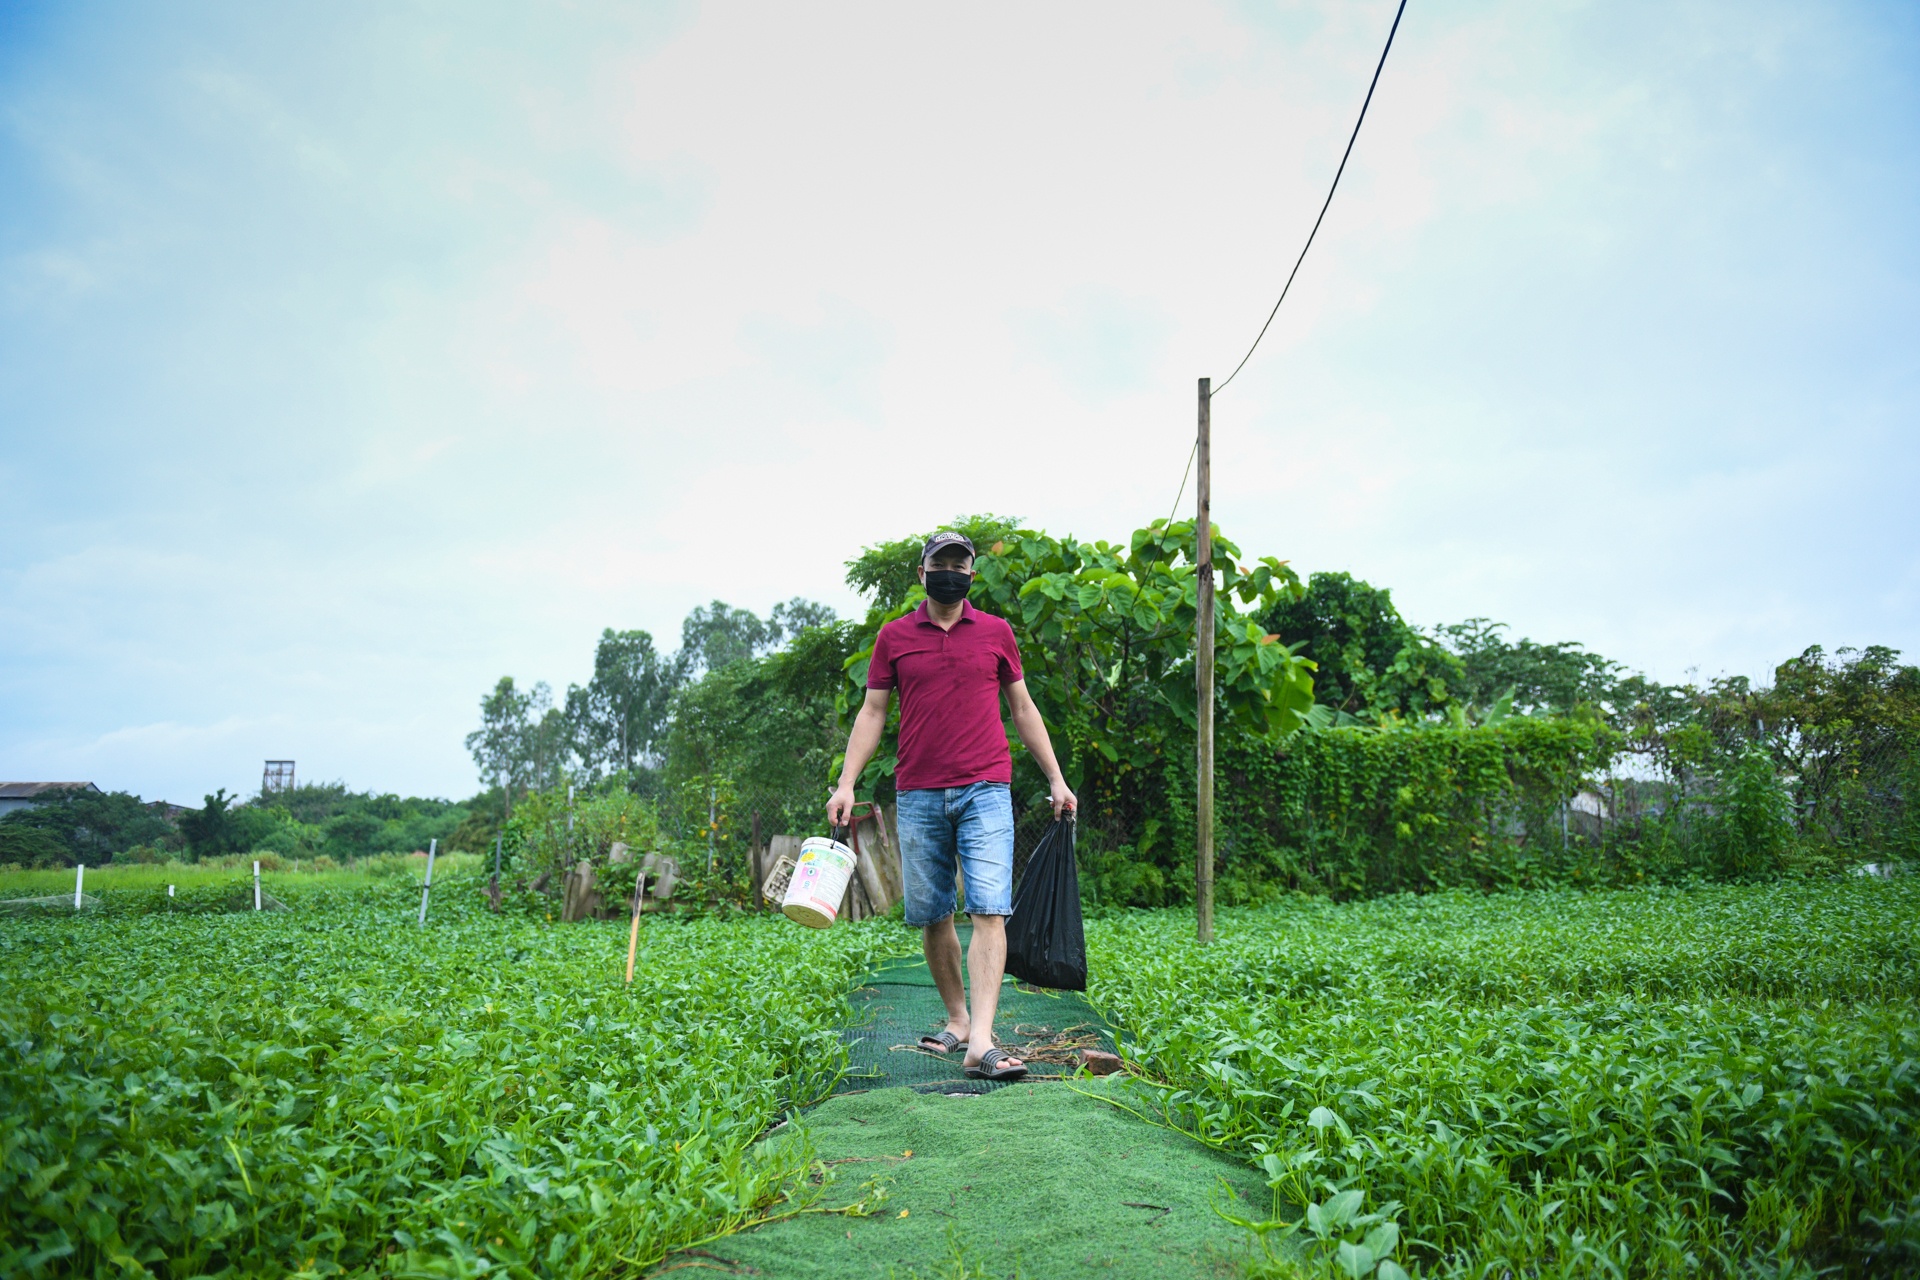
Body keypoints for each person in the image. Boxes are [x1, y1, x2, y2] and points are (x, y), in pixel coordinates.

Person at [828, 531, 1076, 1082]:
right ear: (922, 574)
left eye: (959, 564)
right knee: (933, 912)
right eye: (939, 563)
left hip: (986, 787)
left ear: (971, 574)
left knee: (989, 907)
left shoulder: (995, 632)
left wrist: (1056, 779)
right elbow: (872, 713)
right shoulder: (894, 637)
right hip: (917, 791)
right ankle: (959, 1019)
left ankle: (981, 1041)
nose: (950, 571)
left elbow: (1022, 706)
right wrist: (846, 783)